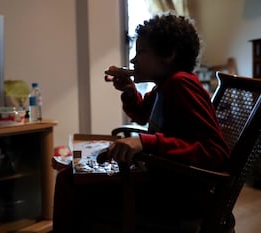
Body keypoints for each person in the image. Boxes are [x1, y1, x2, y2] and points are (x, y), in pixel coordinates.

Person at [52, 12, 230, 233]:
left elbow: (217, 153)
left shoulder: (181, 85)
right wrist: (129, 90)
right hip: (162, 182)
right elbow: (143, 114)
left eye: (141, 52)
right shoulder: (164, 86)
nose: (134, 60)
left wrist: (147, 143)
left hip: (178, 198)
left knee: (69, 180)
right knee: (74, 176)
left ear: (169, 54)